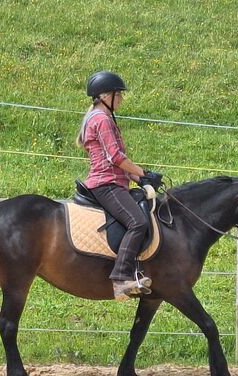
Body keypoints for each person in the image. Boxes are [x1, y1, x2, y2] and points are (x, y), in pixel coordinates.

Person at [77, 71, 152, 301]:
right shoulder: (102, 120)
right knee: (137, 222)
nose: (121, 99)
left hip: (114, 181)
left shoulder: (101, 118)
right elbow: (116, 157)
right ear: (106, 96)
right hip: (106, 184)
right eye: (118, 95)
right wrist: (143, 171)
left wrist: (141, 179)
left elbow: (118, 163)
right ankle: (121, 278)